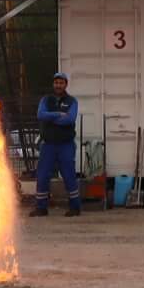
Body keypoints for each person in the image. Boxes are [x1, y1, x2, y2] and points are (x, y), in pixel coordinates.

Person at [32, 73, 81, 216]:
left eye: (61, 83)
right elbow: (40, 115)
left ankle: (75, 207)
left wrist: (50, 118)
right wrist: (58, 114)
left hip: (66, 145)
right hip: (48, 145)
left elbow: (70, 119)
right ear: (53, 84)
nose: (58, 85)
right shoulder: (46, 100)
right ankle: (41, 208)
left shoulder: (72, 101)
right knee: (42, 175)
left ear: (66, 85)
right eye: (56, 83)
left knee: (69, 175)